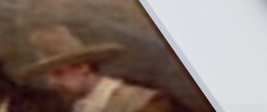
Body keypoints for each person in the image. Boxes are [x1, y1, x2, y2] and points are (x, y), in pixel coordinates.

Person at [18, 27, 181, 112]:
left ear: (83, 67)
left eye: (58, 73)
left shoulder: (140, 102)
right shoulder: (80, 107)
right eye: (49, 76)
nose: (52, 82)